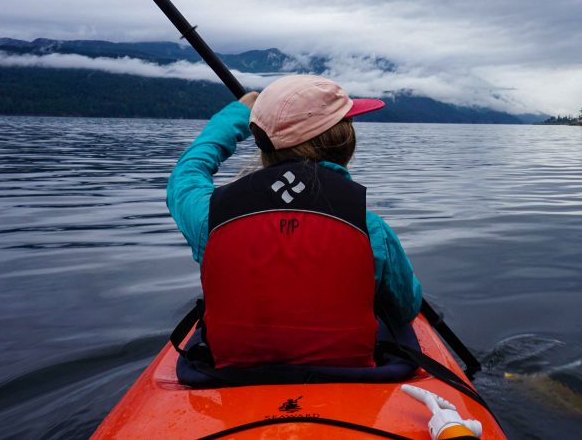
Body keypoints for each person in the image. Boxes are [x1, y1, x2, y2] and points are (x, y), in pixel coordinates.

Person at [167, 74, 423, 369]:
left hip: (231, 380)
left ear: (265, 145)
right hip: (351, 379)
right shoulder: (370, 229)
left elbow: (185, 178)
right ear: (345, 145)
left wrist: (237, 114)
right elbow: (405, 308)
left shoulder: (211, 219)